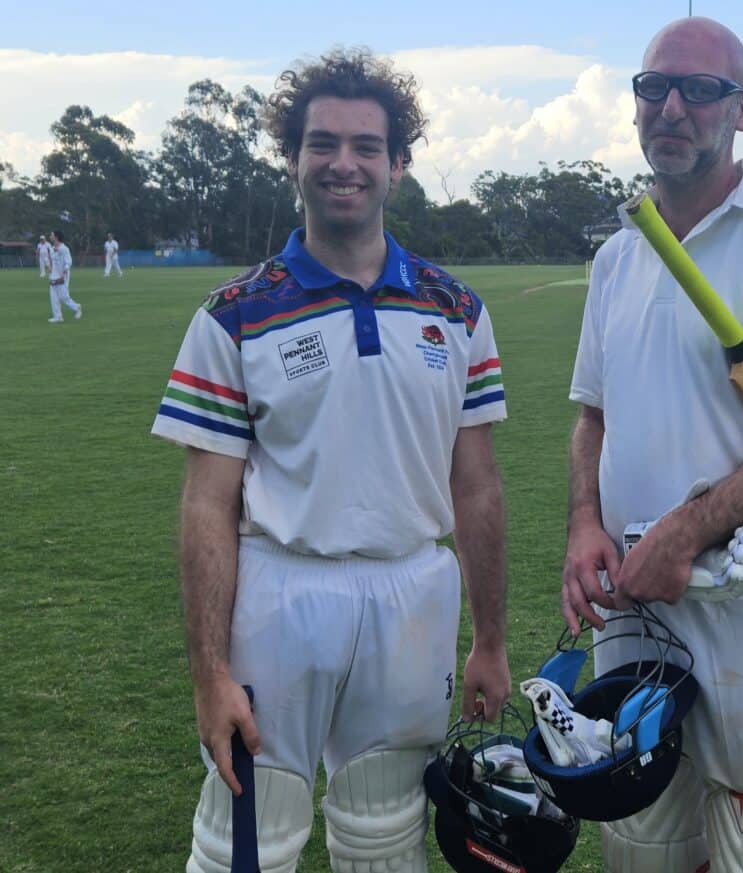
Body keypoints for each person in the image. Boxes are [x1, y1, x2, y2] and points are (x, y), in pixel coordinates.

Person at [151, 48, 511, 873]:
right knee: (246, 839)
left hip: (415, 590)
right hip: (281, 592)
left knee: (386, 838)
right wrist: (209, 671)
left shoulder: (457, 310)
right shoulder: (235, 313)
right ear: (293, 159)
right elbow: (207, 505)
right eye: (321, 144)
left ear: (397, 164)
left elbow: (478, 484)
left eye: (364, 146)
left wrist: (489, 635)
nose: (342, 164)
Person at [561, 17, 743, 873]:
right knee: (642, 849)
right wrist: (585, 522)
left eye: (701, 90)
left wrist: (685, 532)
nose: (674, 109)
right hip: (635, 604)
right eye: (654, 88)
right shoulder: (617, 257)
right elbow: (593, 417)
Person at [47, 230, 82, 323]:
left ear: (56, 237)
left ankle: (77, 307)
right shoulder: (51, 248)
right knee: (53, 296)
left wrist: (64, 272)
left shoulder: (64, 248)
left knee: (63, 296)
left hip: (63, 274)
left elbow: (68, 262)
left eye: (51, 235)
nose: (50, 236)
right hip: (53, 275)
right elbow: (51, 259)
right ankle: (58, 317)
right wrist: (50, 267)